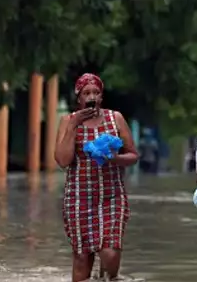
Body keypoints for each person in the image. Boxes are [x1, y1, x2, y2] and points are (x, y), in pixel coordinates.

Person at [54, 73, 140, 282]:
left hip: (111, 196)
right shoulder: (68, 121)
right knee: (82, 257)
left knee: (110, 253)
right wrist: (75, 125)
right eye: (86, 93)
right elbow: (62, 161)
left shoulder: (115, 118)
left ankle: (107, 278)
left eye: (96, 92)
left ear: (101, 97)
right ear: (79, 98)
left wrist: (114, 159)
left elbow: (133, 155)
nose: (91, 97)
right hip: (78, 198)